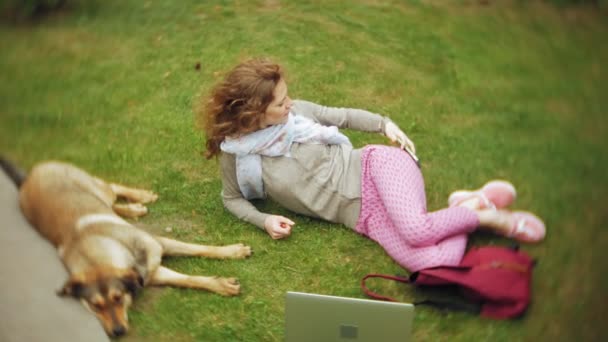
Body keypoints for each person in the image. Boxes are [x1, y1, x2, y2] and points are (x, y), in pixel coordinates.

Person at [200, 58, 546, 272]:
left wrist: (385, 125)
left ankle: (494, 219)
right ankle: (469, 206)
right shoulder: (239, 155)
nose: (290, 104)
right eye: (280, 102)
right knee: (433, 261)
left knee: (416, 230)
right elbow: (231, 199)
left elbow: (344, 116)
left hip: (375, 169)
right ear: (254, 113)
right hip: (362, 216)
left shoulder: (299, 115)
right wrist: (264, 220)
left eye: (288, 95)